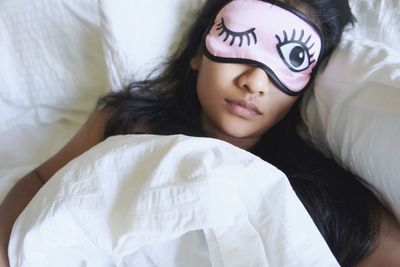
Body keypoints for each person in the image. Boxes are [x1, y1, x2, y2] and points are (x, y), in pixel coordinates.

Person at [1, 0, 399, 266]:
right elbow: (39, 181)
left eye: (292, 58)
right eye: (240, 38)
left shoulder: (321, 195)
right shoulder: (128, 122)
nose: (255, 81)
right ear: (196, 53)